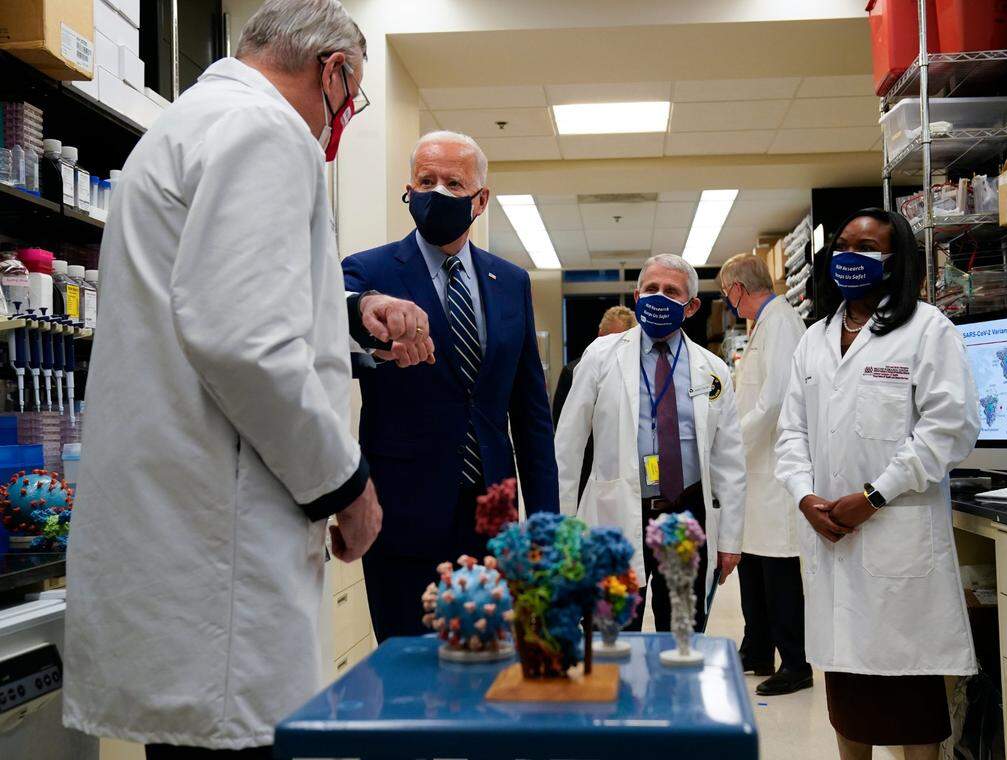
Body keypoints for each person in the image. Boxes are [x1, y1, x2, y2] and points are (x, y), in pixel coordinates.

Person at [61, 2, 435, 757]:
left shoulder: (187, 124)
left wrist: (352, 314)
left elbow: (214, 301)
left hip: (181, 545)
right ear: (333, 72)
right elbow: (245, 344)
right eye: (351, 98)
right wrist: (347, 484)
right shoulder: (267, 130)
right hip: (223, 555)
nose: (342, 123)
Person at [775, 209, 981, 760]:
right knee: (847, 697)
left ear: (895, 261)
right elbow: (790, 432)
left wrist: (874, 496)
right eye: (842, 245)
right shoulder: (814, 340)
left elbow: (950, 428)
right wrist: (804, 496)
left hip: (897, 540)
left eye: (865, 248)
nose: (849, 257)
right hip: (830, 540)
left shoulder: (926, 328)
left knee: (913, 701)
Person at [342, 130, 559, 643]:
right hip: (402, 514)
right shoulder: (369, 272)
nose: (436, 192)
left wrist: (545, 523)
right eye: (425, 180)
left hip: (494, 516)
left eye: (453, 183)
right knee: (409, 667)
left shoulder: (511, 282)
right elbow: (342, 339)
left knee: (493, 662)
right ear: (409, 189)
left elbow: (530, 414)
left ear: (480, 200)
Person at [555, 254, 746, 633]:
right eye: (651, 289)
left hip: (685, 515)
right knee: (612, 637)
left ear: (691, 306)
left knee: (682, 634)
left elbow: (729, 461)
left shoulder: (713, 370)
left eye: (671, 291)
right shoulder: (600, 357)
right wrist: (562, 530)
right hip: (616, 514)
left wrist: (730, 540)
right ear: (636, 294)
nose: (658, 297)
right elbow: (567, 448)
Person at [717, 253, 811, 696]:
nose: (727, 301)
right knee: (752, 563)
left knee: (778, 570)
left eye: (725, 292)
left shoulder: (782, 323)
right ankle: (757, 650)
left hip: (774, 470)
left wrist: (731, 439)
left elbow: (774, 400)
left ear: (738, 287)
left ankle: (796, 662)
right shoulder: (764, 325)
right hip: (754, 470)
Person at [551, 305, 637, 498]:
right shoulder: (573, 371)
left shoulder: (639, 374)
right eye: (613, 338)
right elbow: (565, 430)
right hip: (586, 470)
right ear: (600, 335)